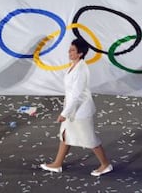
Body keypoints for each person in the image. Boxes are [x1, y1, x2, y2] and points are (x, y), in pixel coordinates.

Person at [40, 39, 113, 176]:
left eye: (72, 50)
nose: (69, 52)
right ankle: (57, 164)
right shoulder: (73, 65)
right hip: (72, 109)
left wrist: (64, 113)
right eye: (70, 49)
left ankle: (105, 164)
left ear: (80, 53)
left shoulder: (81, 69)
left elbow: (77, 95)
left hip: (80, 111)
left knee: (90, 139)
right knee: (65, 135)